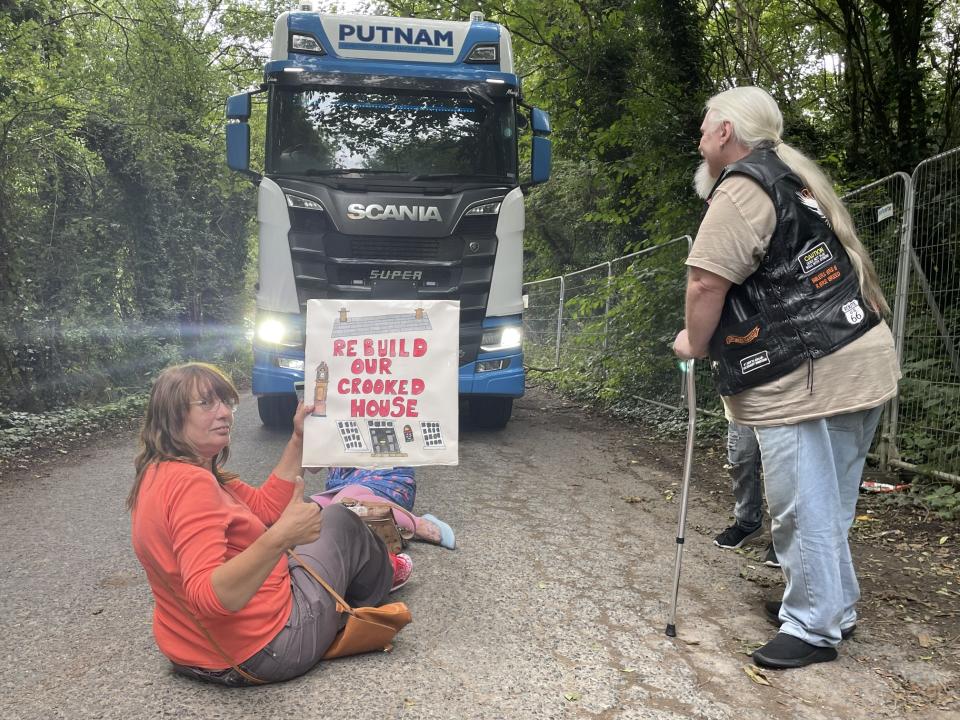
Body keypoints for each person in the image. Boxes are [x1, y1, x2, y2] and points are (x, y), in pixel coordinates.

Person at [673, 86, 899, 669]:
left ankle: (813, 628)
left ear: (726, 131)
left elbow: (705, 283)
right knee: (831, 498)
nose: (699, 141)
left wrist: (692, 343)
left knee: (802, 502)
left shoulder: (744, 185)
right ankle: (834, 608)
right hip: (856, 351)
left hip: (806, 368)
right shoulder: (793, 179)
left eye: (704, 129)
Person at [129, 362, 412, 686]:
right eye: (206, 403)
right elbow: (207, 596)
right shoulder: (194, 486)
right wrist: (280, 537)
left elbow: (264, 509)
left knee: (307, 521)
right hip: (266, 650)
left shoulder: (158, 473)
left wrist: (298, 438)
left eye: (225, 401)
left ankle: (360, 575)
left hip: (191, 652)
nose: (224, 413)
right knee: (339, 518)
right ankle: (386, 573)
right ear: (171, 417)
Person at [311, 466, 456, 549]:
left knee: (339, 506)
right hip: (340, 486)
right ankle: (387, 523)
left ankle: (414, 523)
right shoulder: (321, 412)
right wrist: (302, 433)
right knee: (308, 508)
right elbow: (312, 465)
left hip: (386, 478)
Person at [713, 421, 779, 568]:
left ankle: (785, 537)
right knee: (739, 463)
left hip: (782, 405)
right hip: (743, 402)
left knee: (780, 470)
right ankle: (747, 523)